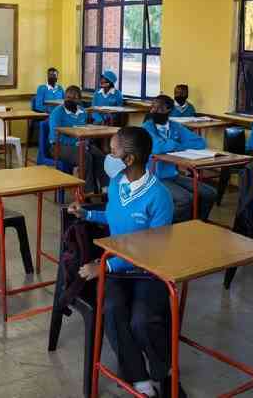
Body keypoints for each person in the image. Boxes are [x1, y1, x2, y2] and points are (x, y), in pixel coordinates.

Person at [69, 127, 183, 398]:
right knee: (113, 310)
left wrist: (106, 267)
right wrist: (88, 215)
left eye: (113, 151)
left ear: (129, 159)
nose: (108, 156)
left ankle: (163, 372)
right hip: (118, 268)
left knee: (142, 321)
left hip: (148, 270)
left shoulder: (159, 196)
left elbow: (153, 249)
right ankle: (138, 377)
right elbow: (114, 216)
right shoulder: (118, 182)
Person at [143, 95, 217, 222]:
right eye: (152, 107)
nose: (152, 110)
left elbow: (200, 142)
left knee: (209, 193)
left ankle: (198, 223)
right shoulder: (147, 127)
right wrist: (177, 144)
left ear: (168, 110)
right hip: (153, 176)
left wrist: (175, 146)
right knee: (185, 199)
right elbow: (157, 147)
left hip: (172, 175)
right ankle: (166, 226)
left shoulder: (175, 126)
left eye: (158, 108)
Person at [48, 85, 106, 194]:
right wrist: (76, 142)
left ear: (79, 100)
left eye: (74, 98)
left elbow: (85, 130)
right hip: (59, 146)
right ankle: (87, 192)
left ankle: (104, 188)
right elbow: (55, 136)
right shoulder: (57, 112)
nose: (70, 100)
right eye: (68, 97)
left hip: (81, 143)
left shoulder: (82, 112)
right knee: (85, 157)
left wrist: (85, 141)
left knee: (100, 155)